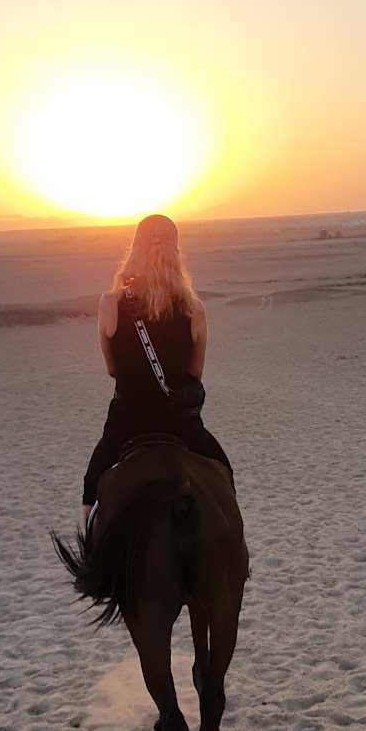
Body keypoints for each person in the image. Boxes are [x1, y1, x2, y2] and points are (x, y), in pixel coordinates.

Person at [82, 214, 234, 524]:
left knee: (90, 494)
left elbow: (112, 369)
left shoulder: (110, 303)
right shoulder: (194, 309)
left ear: (135, 249)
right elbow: (195, 374)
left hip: (127, 422)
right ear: (176, 252)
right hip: (180, 424)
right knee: (224, 477)